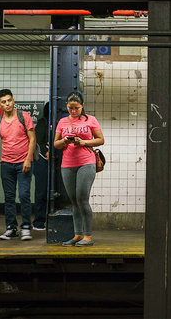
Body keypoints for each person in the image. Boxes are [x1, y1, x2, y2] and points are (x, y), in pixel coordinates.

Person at [53, 92, 104, 247]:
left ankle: (88, 236)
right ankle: (78, 234)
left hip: (86, 163)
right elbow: (56, 144)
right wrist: (64, 141)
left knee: (82, 198)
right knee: (74, 201)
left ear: (82, 106)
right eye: (70, 108)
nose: (73, 111)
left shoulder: (91, 120)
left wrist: (84, 142)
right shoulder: (62, 122)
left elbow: (101, 140)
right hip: (67, 164)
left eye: (76, 108)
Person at [0, 89, 36, 241]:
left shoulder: (24, 116)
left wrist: (28, 159)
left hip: (23, 163)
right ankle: (11, 229)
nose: (7, 104)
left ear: (13, 100)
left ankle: (26, 227)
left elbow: (32, 139)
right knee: (9, 198)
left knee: (24, 195)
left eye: (9, 100)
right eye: (4, 102)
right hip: (6, 164)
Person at [32, 102, 50, 231]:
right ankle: (39, 221)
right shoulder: (43, 122)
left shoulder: (61, 123)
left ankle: (45, 219)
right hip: (42, 161)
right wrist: (45, 151)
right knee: (41, 191)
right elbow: (37, 141)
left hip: (53, 161)